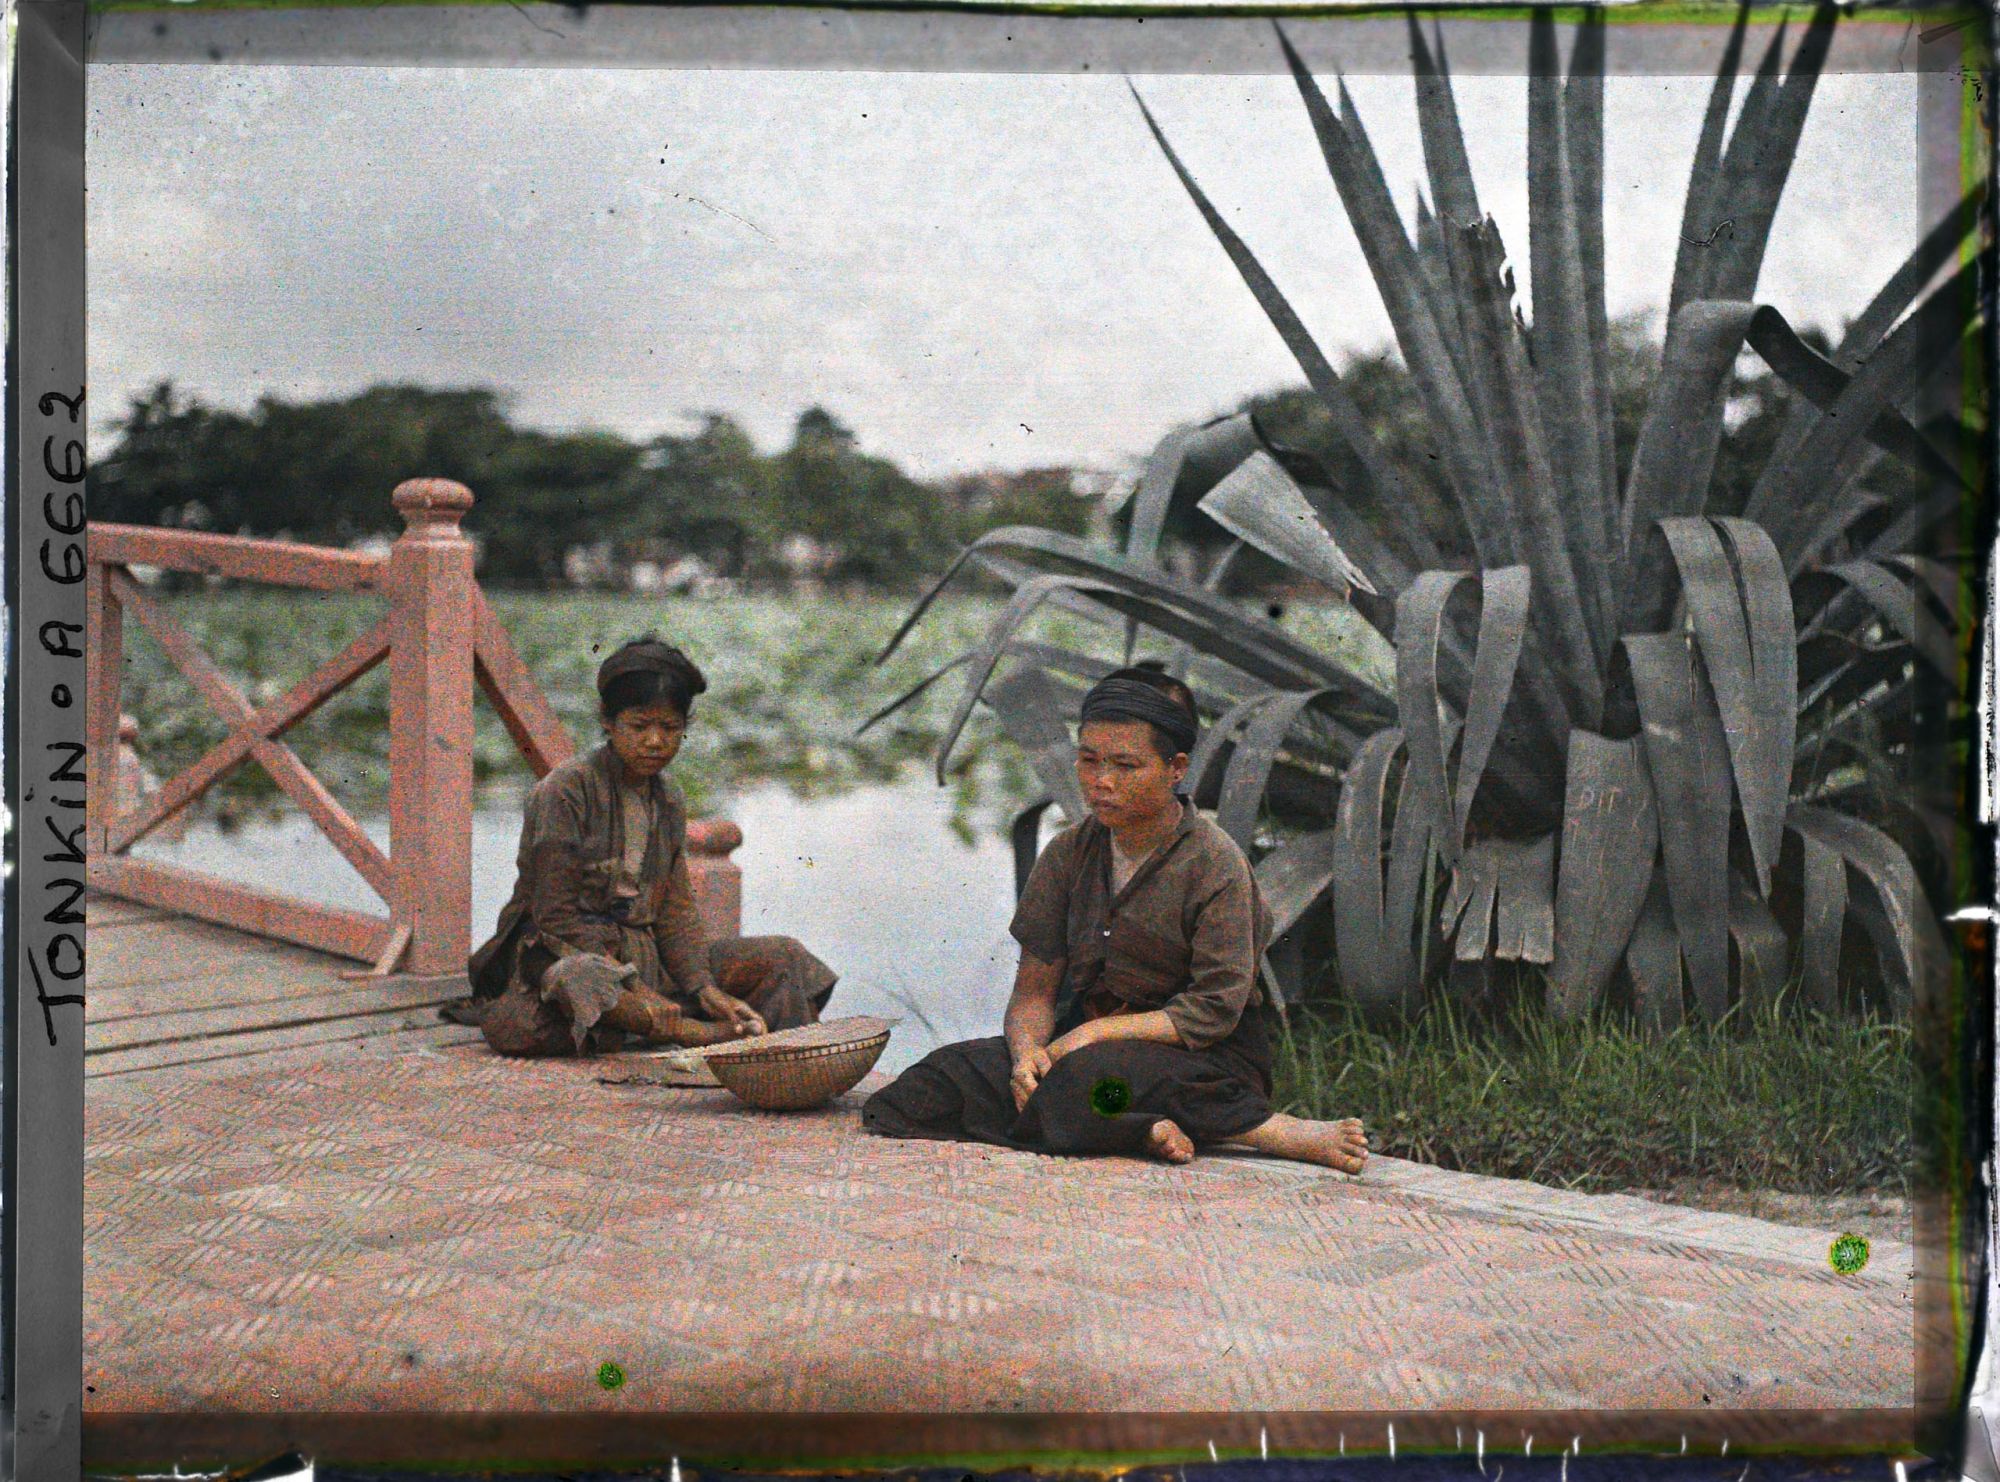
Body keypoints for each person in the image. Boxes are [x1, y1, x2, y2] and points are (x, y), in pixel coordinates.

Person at [862, 667, 1368, 1172]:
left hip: (1198, 1061)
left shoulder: (1216, 864)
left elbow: (1213, 1012)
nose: (1101, 782)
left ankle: (1270, 1131)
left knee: (1088, 1074)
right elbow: (1034, 991)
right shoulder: (1066, 854)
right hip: (1085, 1052)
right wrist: (1025, 1056)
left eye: (1126, 765)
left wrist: (1094, 1035)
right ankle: (1137, 1127)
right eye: (1089, 760)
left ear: (1175, 768)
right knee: (927, 1087)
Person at [459, 636, 837, 1058]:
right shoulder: (565, 791)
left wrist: (705, 988)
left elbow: (675, 911)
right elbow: (555, 918)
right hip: (562, 960)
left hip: (645, 960)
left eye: (671, 728)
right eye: (639, 727)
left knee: (783, 956)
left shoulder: (668, 800)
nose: (655, 742)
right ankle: (706, 1036)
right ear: (608, 720)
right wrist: (635, 988)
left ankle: (753, 1048)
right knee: (580, 980)